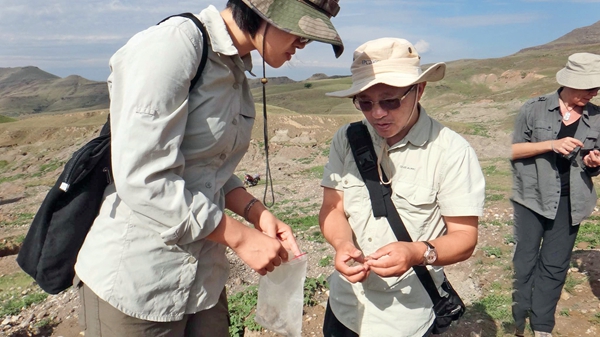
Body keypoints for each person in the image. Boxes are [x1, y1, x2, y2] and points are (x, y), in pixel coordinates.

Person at [73, 0, 344, 336]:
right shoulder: (173, 46)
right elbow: (143, 177)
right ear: (264, 10)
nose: (301, 46)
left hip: (203, 283)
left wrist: (256, 212)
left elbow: (205, 167)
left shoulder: (233, 69)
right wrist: (241, 238)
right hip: (139, 282)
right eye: (300, 34)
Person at [318, 38, 485, 336]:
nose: (377, 114)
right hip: (345, 308)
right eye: (365, 103)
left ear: (419, 90)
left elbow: (465, 238)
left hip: (405, 319)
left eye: (390, 101)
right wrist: (343, 244)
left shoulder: (451, 151)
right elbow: (333, 208)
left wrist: (416, 253)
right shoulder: (346, 138)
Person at [511, 52, 600, 337]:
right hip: (531, 197)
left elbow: (595, 161)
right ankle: (516, 319)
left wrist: (593, 163)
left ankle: (542, 326)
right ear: (570, 83)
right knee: (524, 260)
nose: (594, 93)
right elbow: (513, 150)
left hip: (571, 201)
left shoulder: (597, 117)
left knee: (555, 264)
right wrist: (551, 144)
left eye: (596, 88)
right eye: (589, 87)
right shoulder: (533, 109)